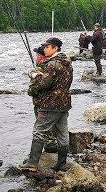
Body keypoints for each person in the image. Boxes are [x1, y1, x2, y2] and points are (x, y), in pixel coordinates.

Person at [19, 37, 73, 173]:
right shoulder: (67, 63)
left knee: (39, 131)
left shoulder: (52, 64)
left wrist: (34, 75)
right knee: (62, 132)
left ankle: (32, 163)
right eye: (44, 46)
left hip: (50, 104)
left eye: (47, 46)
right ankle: (61, 163)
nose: (44, 49)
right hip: (64, 103)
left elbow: (44, 84)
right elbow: (68, 82)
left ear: (55, 48)